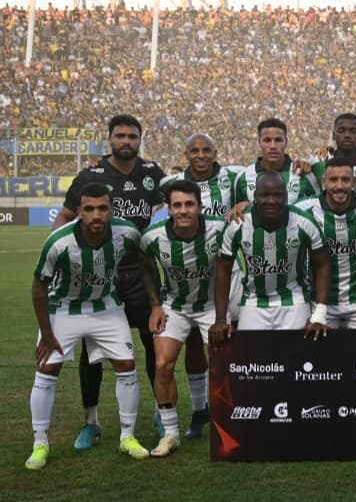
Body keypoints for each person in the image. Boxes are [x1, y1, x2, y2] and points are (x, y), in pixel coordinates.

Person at [53, 114, 164, 451]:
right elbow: (65, 217)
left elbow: (184, 195)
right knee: (92, 353)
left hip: (141, 273)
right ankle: (91, 422)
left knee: (153, 345)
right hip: (100, 276)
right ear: (110, 139)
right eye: (120, 135)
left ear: (140, 140)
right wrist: (57, 254)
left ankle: (161, 410)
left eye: (132, 136)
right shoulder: (90, 176)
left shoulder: (152, 174)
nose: (126, 141)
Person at [26, 183, 150, 469]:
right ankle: (40, 443)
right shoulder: (58, 241)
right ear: (78, 212)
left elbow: (146, 260)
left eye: (103, 208)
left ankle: (127, 437)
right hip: (64, 308)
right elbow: (38, 287)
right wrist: (46, 334)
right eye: (89, 209)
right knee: (47, 368)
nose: (97, 215)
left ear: (111, 209)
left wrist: (154, 301)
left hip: (106, 306)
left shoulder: (127, 232)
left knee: (127, 365)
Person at [154, 133, 235, 437]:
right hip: (179, 289)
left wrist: (240, 204)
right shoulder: (168, 183)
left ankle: (223, 416)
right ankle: (188, 415)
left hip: (220, 281)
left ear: (216, 152)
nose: (201, 155)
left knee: (220, 353)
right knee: (177, 353)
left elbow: (257, 194)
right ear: (185, 154)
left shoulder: (232, 176)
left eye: (206, 150)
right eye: (194, 151)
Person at [139, 180, 227, 457]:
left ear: (200, 206)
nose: (183, 210)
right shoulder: (152, 237)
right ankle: (171, 434)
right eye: (177, 205)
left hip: (211, 305)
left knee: (223, 365)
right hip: (174, 305)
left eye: (189, 204)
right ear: (168, 208)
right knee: (163, 364)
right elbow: (145, 264)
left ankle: (228, 425)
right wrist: (154, 304)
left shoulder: (220, 227)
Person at [208, 171, 331, 346]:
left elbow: (322, 264)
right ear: (255, 196)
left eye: (277, 195)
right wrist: (220, 319)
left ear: (286, 196)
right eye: (264, 195)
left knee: (294, 360)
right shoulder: (238, 224)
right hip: (253, 301)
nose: (271, 200)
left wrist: (319, 313)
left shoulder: (304, 222)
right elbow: (223, 269)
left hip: (294, 299)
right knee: (251, 362)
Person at [295, 157, 356, 329]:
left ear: (354, 181)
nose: (339, 186)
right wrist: (246, 205)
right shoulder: (305, 209)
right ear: (324, 182)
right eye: (333, 180)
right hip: (322, 303)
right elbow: (275, 210)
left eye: (345, 180)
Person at [231, 118, 318, 207]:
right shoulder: (243, 177)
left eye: (278, 140)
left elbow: (317, 210)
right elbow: (236, 213)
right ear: (259, 142)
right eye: (267, 140)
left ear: (286, 142)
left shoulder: (303, 173)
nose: (273, 146)